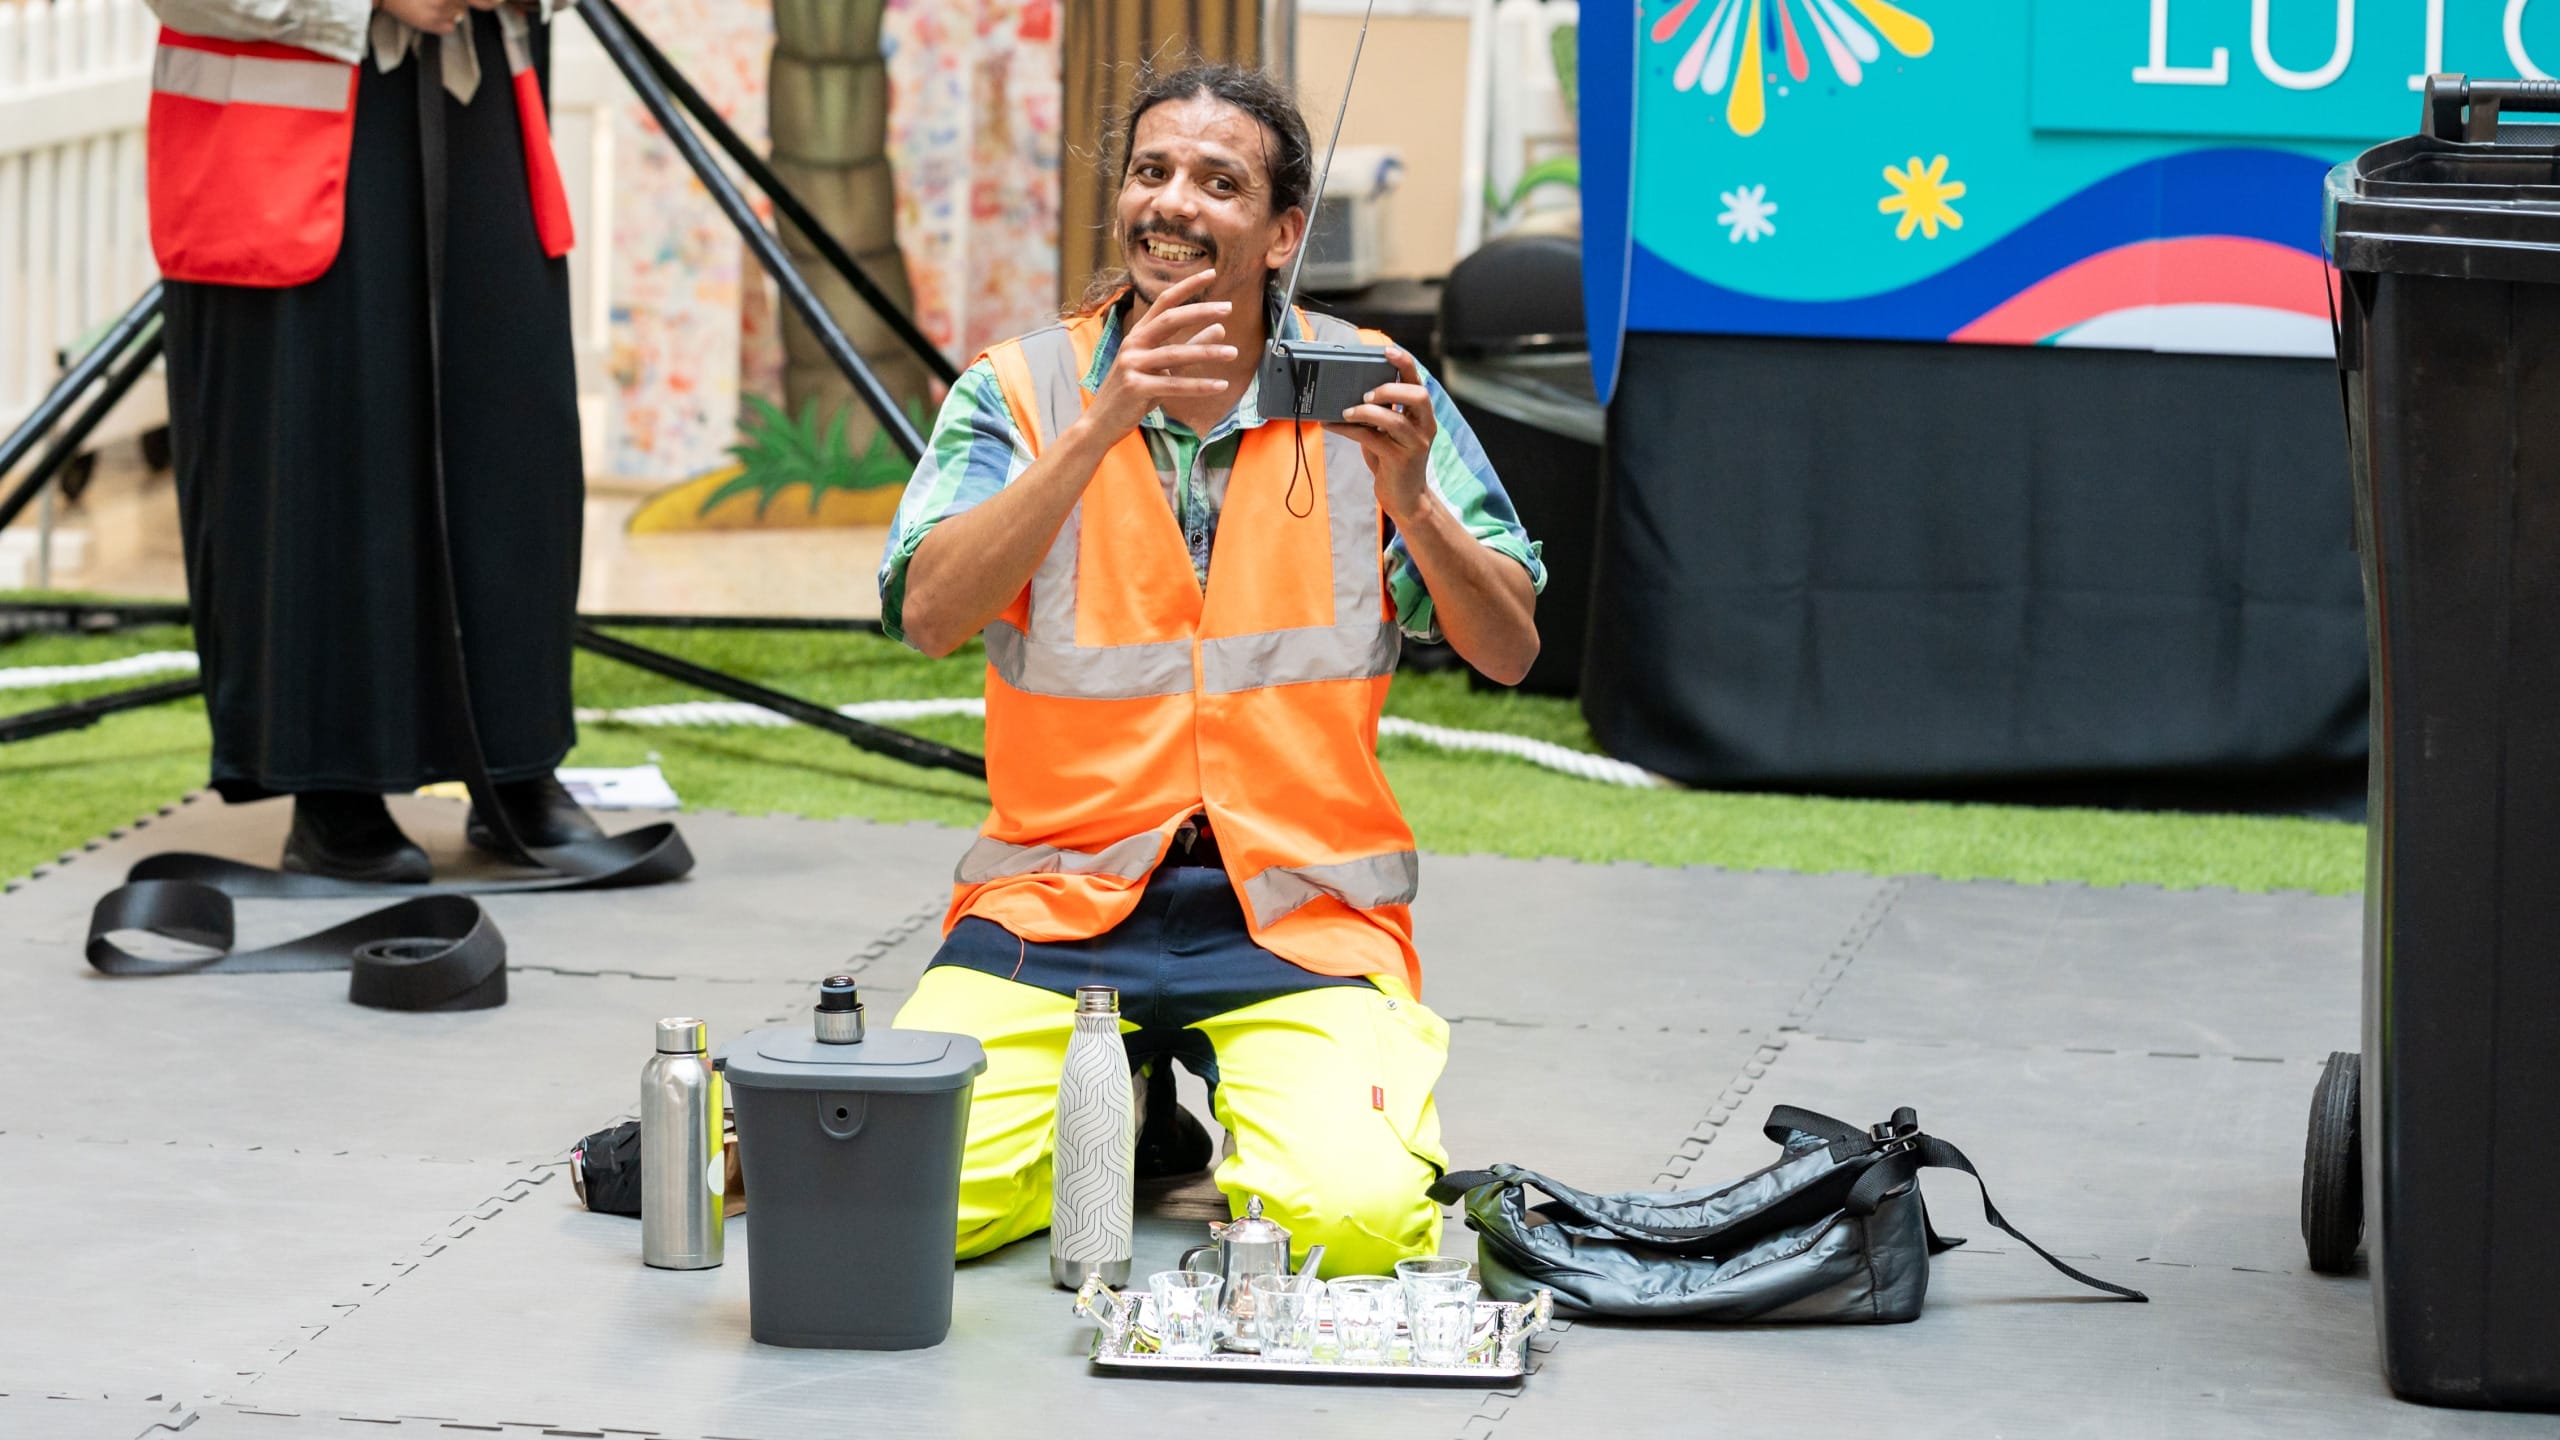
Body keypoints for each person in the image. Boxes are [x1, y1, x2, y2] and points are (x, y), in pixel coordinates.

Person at [880, 61, 1545, 1276]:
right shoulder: (1021, 391)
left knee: (1346, 1231)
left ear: (1283, 231)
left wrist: (1415, 504)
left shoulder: (1379, 389)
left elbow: (1506, 648)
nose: (1171, 202)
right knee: (901, 1202)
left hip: (1299, 912)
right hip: (1057, 903)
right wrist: (1098, 425)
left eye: (1218, 181)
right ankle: (1125, 1107)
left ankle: (1155, 1107)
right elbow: (929, 614)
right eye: (1151, 172)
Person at [145, 0, 598, 881]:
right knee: (319, 453)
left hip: (483, 106)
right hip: (279, 134)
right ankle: (332, 791)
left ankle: (515, 765)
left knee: (510, 442)